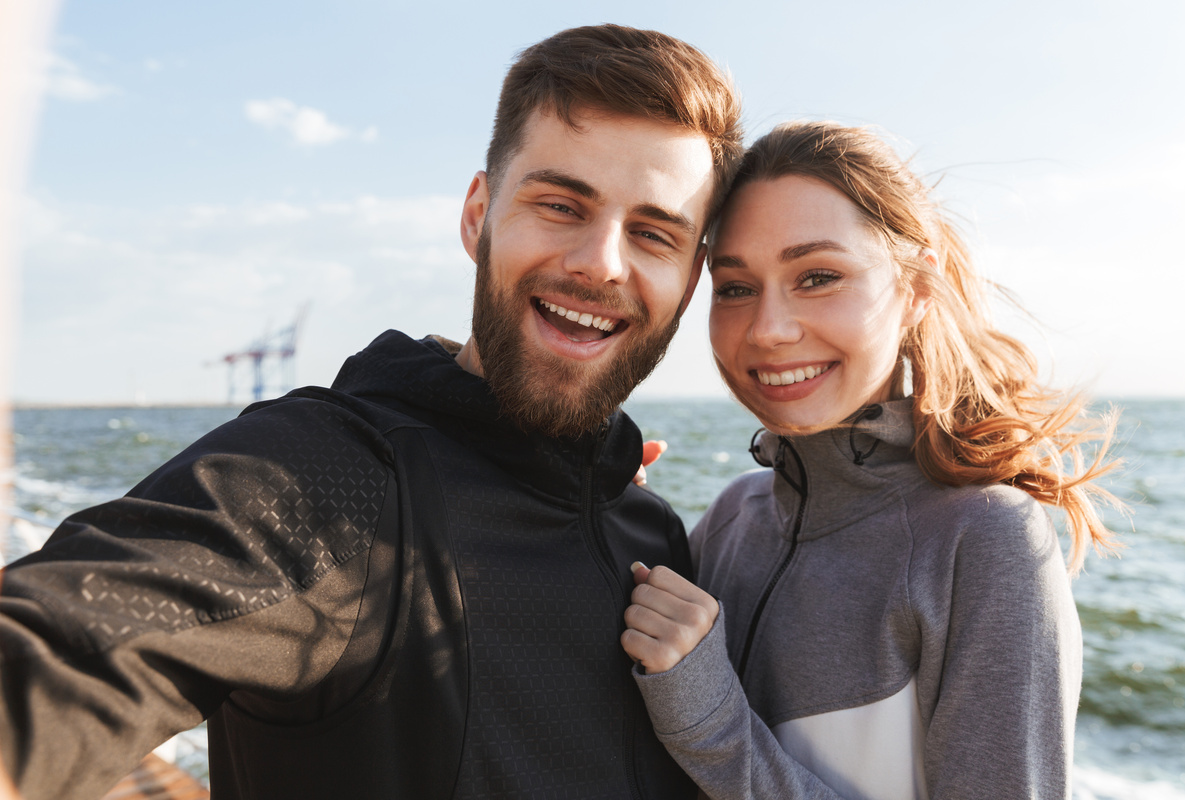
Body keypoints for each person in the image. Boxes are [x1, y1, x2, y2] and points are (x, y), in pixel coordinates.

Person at [0, 24, 743, 800]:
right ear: (477, 217)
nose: (600, 261)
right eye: (560, 204)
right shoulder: (334, 477)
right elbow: (54, 656)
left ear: (689, 279)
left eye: (654, 233)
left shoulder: (649, 533)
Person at [621, 121, 1119, 799]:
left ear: (916, 289)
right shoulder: (736, 515)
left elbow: (699, 719)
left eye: (818, 276)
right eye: (735, 287)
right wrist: (611, 511)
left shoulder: (984, 540)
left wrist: (711, 725)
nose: (768, 328)